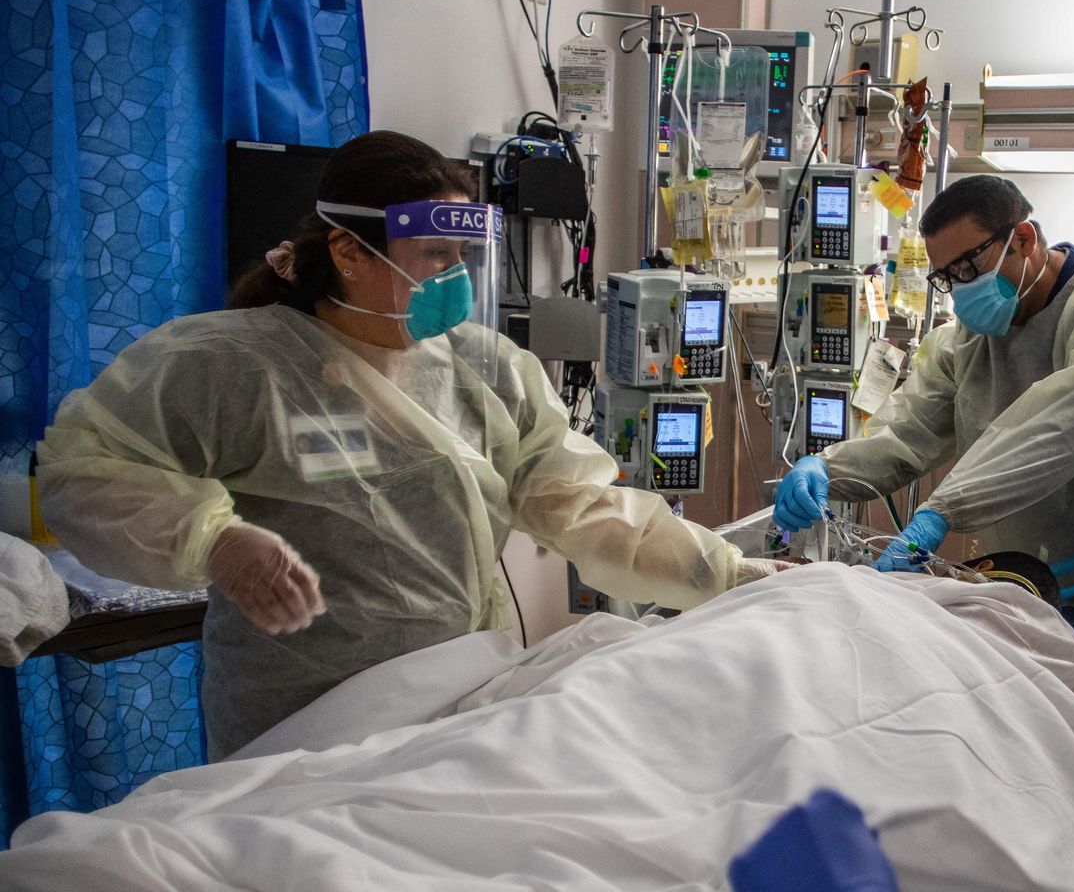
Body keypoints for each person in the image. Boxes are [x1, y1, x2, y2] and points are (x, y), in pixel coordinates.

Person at [37, 130, 785, 758]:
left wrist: (725, 573)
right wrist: (214, 541)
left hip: (457, 702)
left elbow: (584, 508)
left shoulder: (486, 369)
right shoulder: (231, 367)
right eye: (431, 256)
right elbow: (82, 472)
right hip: (304, 724)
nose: (452, 279)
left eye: (461, 259)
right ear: (349, 252)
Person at [772, 175, 1074, 627]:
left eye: (969, 266)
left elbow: (1063, 424)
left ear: (1023, 239)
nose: (961, 287)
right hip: (1041, 591)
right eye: (947, 276)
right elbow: (906, 432)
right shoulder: (964, 346)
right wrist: (827, 469)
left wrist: (942, 511)